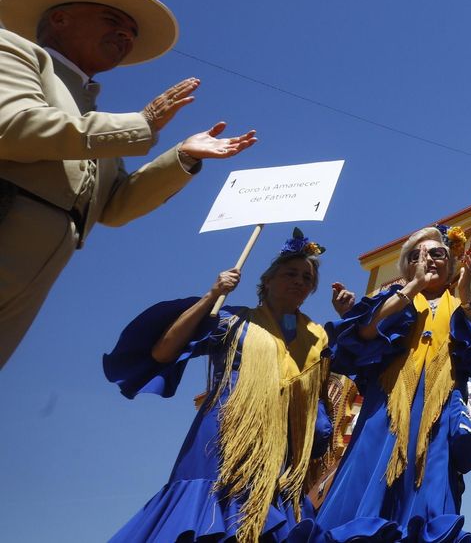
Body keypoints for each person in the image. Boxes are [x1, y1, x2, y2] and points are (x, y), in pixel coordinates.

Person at [0, 0, 257, 367]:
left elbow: (114, 207)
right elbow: (13, 126)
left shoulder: (94, 118)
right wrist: (142, 124)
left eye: (132, 32)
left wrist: (183, 157)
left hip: (38, 267)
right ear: (60, 19)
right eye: (111, 20)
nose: (125, 35)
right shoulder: (11, 50)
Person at [102, 229, 346, 543]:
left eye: (307, 277)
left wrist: (347, 315)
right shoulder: (233, 321)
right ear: (267, 280)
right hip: (223, 433)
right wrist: (212, 295)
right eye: (290, 273)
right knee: (206, 517)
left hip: (279, 445)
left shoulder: (318, 339)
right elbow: (163, 351)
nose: (300, 280)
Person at [317, 225, 471, 543]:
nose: (428, 260)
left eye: (437, 253)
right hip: (384, 418)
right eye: (417, 255)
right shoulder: (394, 300)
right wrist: (411, 288)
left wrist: (466, 298)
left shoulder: (465, 308)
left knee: (427, 505)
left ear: (451, 261)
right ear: (407, 265)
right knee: (367, 499)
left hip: (436, 423)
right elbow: (365, 333)